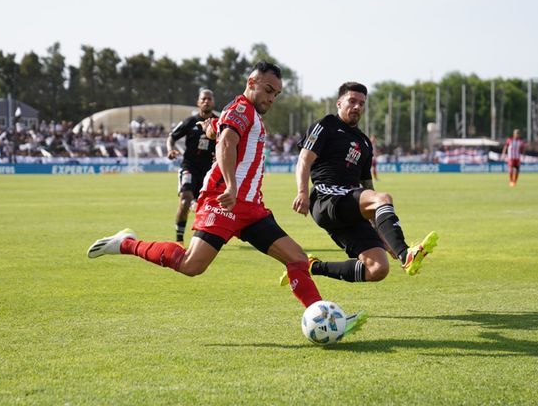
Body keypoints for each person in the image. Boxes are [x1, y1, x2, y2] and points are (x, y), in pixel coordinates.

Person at [87, 62, 366, 334]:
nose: (271, 98)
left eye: (276, 94)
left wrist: (213, 129)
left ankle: (327, 320)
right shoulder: (241, 108)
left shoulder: (245, 114)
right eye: (268, 90)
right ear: (251, 83)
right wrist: (231, 185)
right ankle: (125, 243)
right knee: (191, 265)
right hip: (224, 202)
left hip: (251, 209)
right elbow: (227, 143)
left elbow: (222, 134)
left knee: (297, 258)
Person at [282, 81, 438, 287]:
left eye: (361, 103)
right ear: (339, 103)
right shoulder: (326, 125)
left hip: (349, 204)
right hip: (326, 198)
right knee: (383, 198)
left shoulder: (364, 142)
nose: (357, 106)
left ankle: (310, 266)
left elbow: (367, 189)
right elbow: (304, 159)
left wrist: (384, 236)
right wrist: (302, 192)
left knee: (378, 269)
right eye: (352, 101)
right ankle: (405, 254)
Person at [166, 88, 219, 242]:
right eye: (203, 99)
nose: (206, 101)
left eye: (209, 99)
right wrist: (170, 149)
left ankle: (208, 239)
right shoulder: (190, 122)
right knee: (185, 199)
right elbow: (171, 137)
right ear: (198, 102)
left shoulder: (219, 123)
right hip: (189, 167)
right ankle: (179, 241)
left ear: (213, 102)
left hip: (210, 172)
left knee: (208, 207)